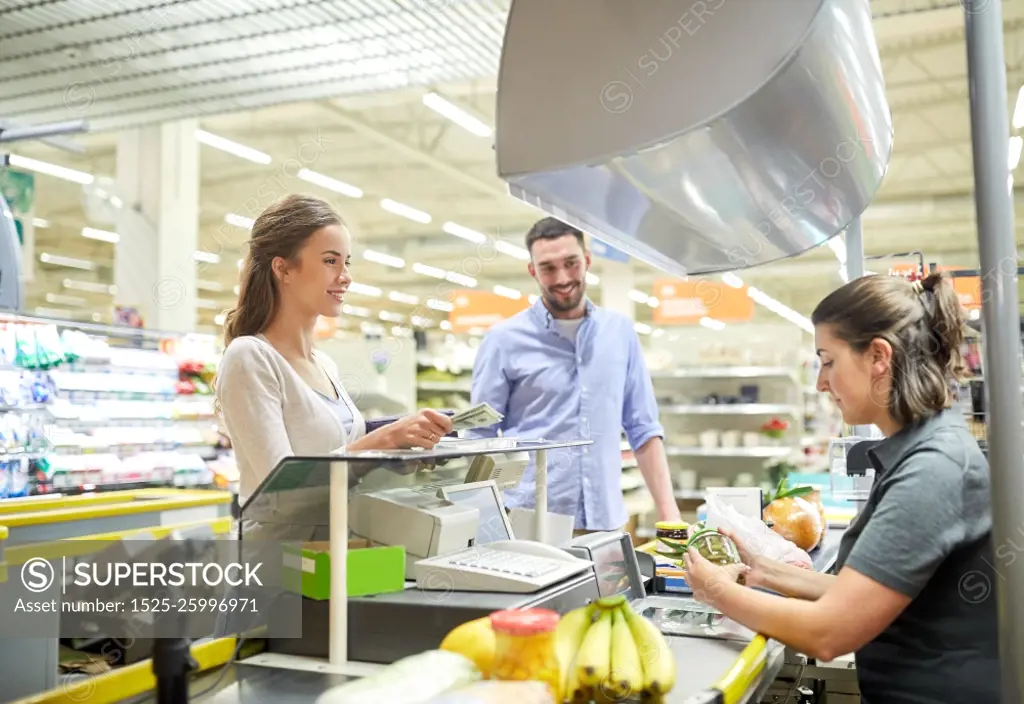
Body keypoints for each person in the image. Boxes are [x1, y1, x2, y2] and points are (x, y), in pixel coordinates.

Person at [683, 271, 1000, 703]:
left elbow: (830, 632)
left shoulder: (933, 468)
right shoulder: (923, 447)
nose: (820, 382)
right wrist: (763, 570)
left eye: (828, 360)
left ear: (878, 357)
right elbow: (867, 593)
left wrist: (715, 591)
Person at [215, 194, 453, 509]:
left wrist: (396, 454)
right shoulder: (250, 357)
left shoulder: (324, 363)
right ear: (283, 269)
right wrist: (381, 441)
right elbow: (280, 490)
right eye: (330, 261)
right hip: (283, 551)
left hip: (340, 541)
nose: (346, 276)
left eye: (347, 262)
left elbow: (340, 469)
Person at [467, 217, 680, 534]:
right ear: (532, 271)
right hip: (530, 521)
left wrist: (671, 516)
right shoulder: (503, 340)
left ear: (588, 261)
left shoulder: (619, 332)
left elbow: (644, 429)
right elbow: (479, 435)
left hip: (606, 520)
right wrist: (482, 523)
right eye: (548, 268)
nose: (562, 277)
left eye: (571, 263)